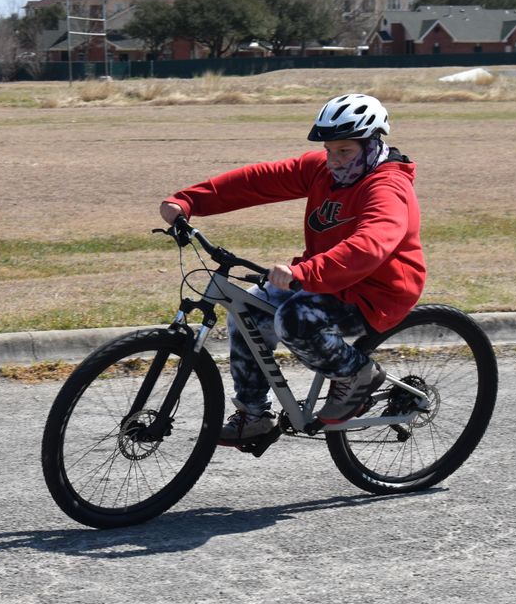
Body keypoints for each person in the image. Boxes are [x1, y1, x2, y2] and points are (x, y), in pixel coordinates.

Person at [159, 93, 425, 447]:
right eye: (329, 150)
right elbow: (259, 181)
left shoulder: (387, 187)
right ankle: (255, 415)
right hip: (326, 280)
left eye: (344, 151)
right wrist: (190, 200)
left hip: (376, 293)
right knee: (246, 311)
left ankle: (356, 375)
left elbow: (370, 245)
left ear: (372, 143)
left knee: (295, 320)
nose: (334, 159)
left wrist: (306, 273)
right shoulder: (323, 170)